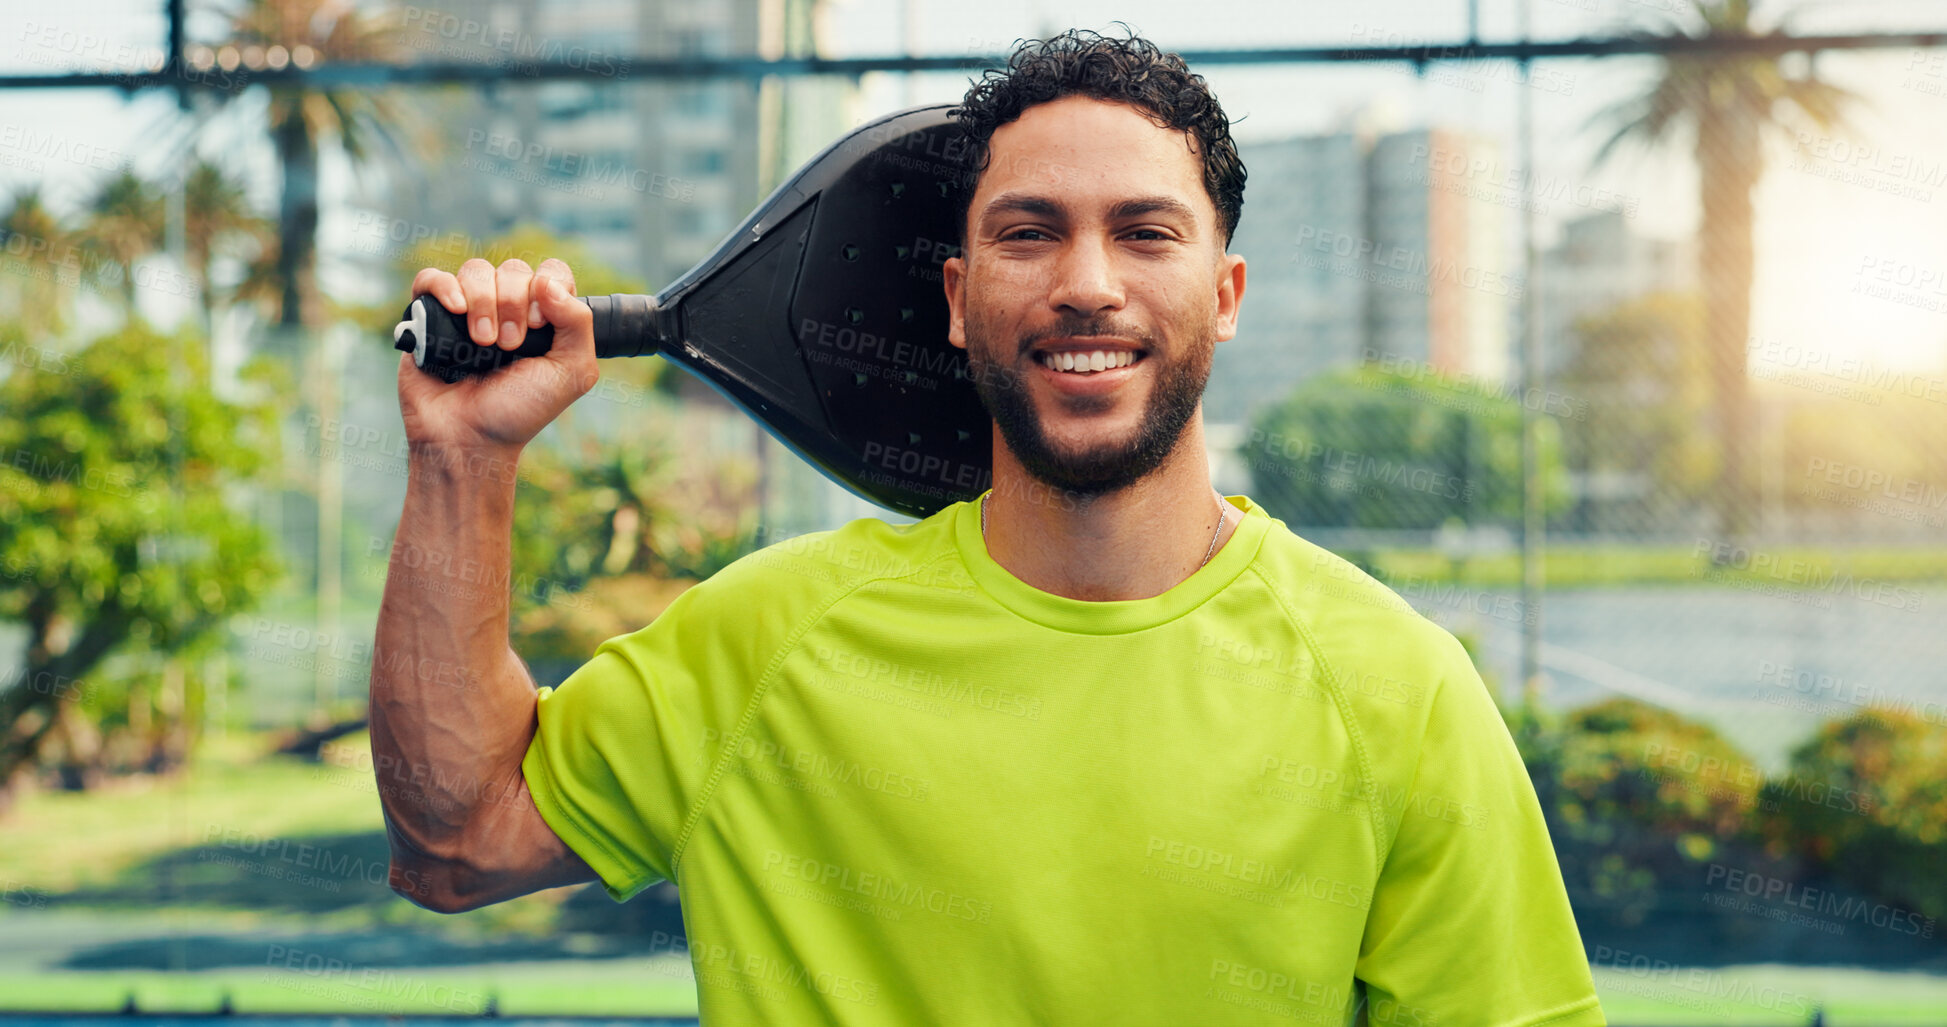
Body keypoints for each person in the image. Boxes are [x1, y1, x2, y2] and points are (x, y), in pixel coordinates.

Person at [372, 28, 1607, 1027]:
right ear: (959, 301)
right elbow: (454, 840)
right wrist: (464, 459)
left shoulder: (1400, 691)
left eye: (1146, 231)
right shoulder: (765, 640)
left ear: (1223, 297)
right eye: (1029, 231)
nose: (1086, 281)